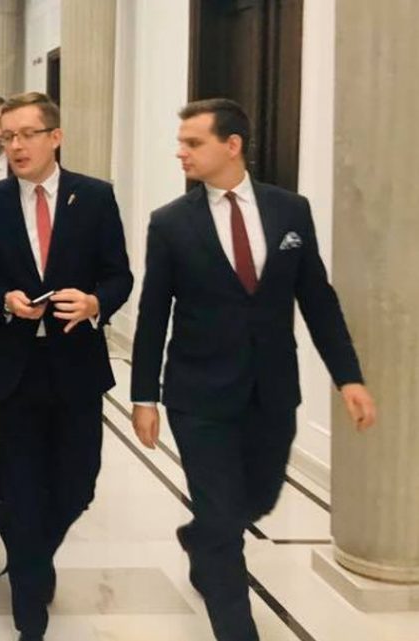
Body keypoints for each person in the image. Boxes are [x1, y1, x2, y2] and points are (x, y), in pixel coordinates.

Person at [130, 98, 377, 641]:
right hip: (198, 393)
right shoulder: (171, 223)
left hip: (272, 390)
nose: (181, 152)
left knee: (257, 499)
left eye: (193, 142)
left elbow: (318, 299)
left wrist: (348, 377)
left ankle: (200, 538)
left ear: (232, 145)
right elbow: (153, 313)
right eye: (181, 142)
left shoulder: (290, 211)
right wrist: (144, 396)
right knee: (223, 518)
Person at [0, 92, 133, 641]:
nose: (13, 145)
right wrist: (2, 301)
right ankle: (29, 597)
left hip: (77, 365)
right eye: (7, 135)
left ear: (54, 137)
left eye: (26, 134)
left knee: (78, 483)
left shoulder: (95, 197)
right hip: (15, 368)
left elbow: (120, 275)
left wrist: (95, 302)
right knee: (22, 485)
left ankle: (31, 554)